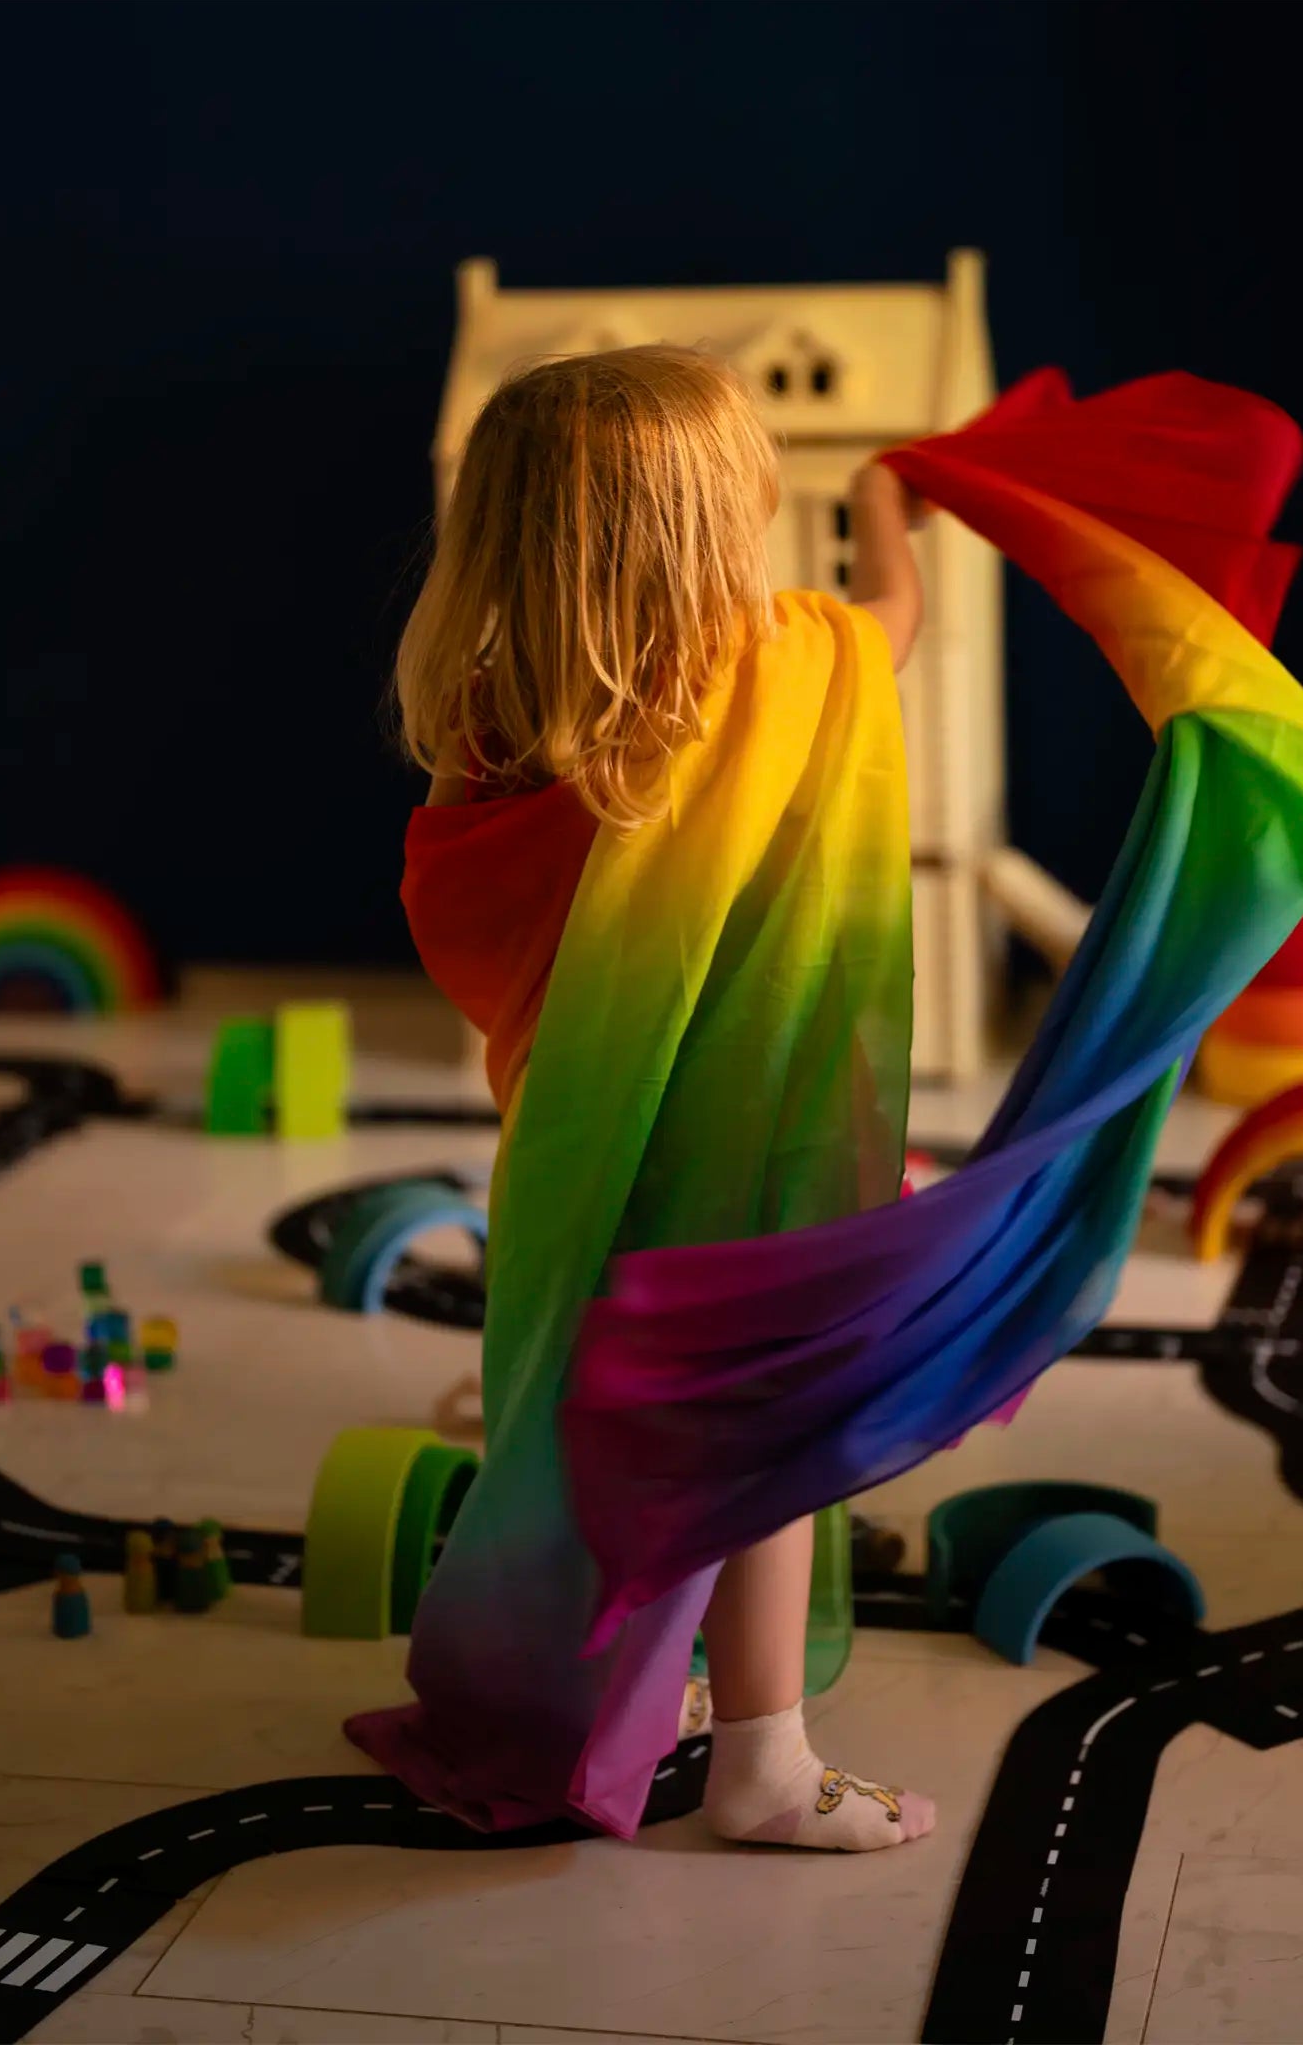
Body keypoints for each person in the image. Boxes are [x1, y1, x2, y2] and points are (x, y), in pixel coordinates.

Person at [345, 345, 934, 1851]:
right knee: (760, 1443)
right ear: (717, 523)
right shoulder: (782, 665)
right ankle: (762, 1763)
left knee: (592, 1424)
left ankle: (627, 1682)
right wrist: (884, 507)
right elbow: (897, 623)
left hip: (573, 1151)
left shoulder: (489, 721)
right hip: (746, 1156)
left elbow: (479, 940)